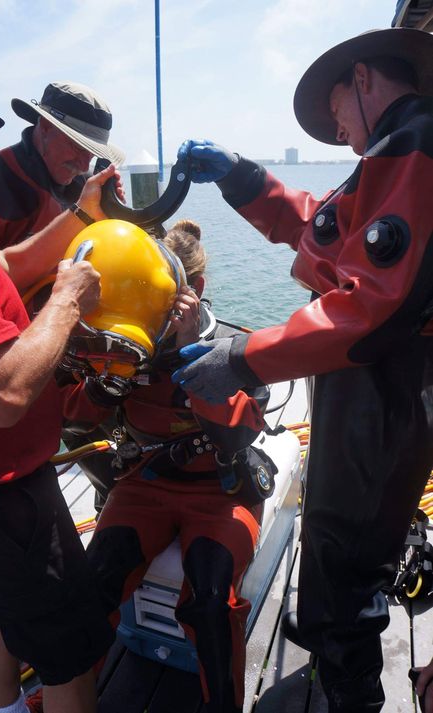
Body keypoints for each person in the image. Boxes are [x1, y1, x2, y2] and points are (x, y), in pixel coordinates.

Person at [173, 28, 433, 713]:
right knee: (332, 535)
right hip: (366, 391)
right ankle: (332, 644)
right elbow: (316, 230)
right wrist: (240, 175)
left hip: (386, 391)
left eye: (337, 109)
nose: (337, 128)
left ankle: (349, 688)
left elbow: (374, 305)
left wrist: (242, 356)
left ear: (362, 80)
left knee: (346, 561)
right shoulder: (390, 152)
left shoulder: (415, 146)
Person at [0, 81, 126, 713]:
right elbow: (0, 391)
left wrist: (83, 212)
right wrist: (65, 304)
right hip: (0, 488)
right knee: (69, 648)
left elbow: (7, 266)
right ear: (45, 130)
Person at [85, 218, 273, 713]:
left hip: (221, 488)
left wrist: (193, 356)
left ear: (195, 291)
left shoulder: (232, 350)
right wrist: (99, 376)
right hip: (146, 483)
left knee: (212, 600)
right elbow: (77, 423)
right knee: (96, 579)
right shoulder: (124, 345)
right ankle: (70, 696)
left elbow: (239, 432)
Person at [0, 80, 125, 248]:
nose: (84, 166)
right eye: (78, 147)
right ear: (46, 127)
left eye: (92, 154)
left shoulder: (90, 185)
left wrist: (111, 215)